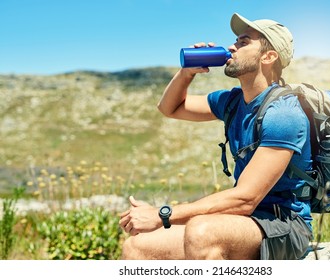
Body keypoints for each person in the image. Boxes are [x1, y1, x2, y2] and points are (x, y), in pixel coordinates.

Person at [119, 13, 313, 260]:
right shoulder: (232, 101)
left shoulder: (284, 113)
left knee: (202, 232)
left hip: (285, 224)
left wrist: (162, 214)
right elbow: (170, 108)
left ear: (269, 56)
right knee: (137, 247)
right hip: (244, 221)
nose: (232, 46)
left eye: (243, 42)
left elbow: (245, 199)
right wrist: (186, 73)